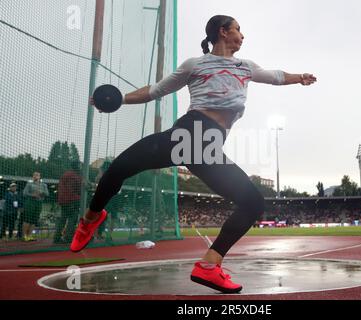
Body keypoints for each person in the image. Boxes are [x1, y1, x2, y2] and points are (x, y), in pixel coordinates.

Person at [71, 15, 317, 293]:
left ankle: (209, 266)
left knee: (253, 203)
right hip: (187, 135)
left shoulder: (245, 67)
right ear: (223, 32)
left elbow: (276, 76)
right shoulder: (194, 65)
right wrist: (119, 99)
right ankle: (90, 219)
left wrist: (300, 78)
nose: (242, 35)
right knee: (118, 168)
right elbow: (155, 91)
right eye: (238, 29)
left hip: (209, 147)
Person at [53, 161, 83, 244]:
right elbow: (78, 188)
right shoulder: (76, 176)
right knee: (72, 219)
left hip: (63, 200)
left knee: (63, 219)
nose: (81, 167)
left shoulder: (66, 174)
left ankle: (57, 237)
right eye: (80, 165)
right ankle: (68, 237)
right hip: (72, 199)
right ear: (77, 166)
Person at [22, 172, 49, 241]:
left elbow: (47, 193)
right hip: (30, 202)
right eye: (34, 175)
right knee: (27, 219)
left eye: (37, 175)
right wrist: (32, 195)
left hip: (39, 202)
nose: (35, 176)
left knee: (34, 220)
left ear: (40, 176)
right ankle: (25, 236)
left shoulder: (44, 185)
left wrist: (42, 193)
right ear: (32, 176)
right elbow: (24, 193)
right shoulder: (29, 184)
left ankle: (30, 235)